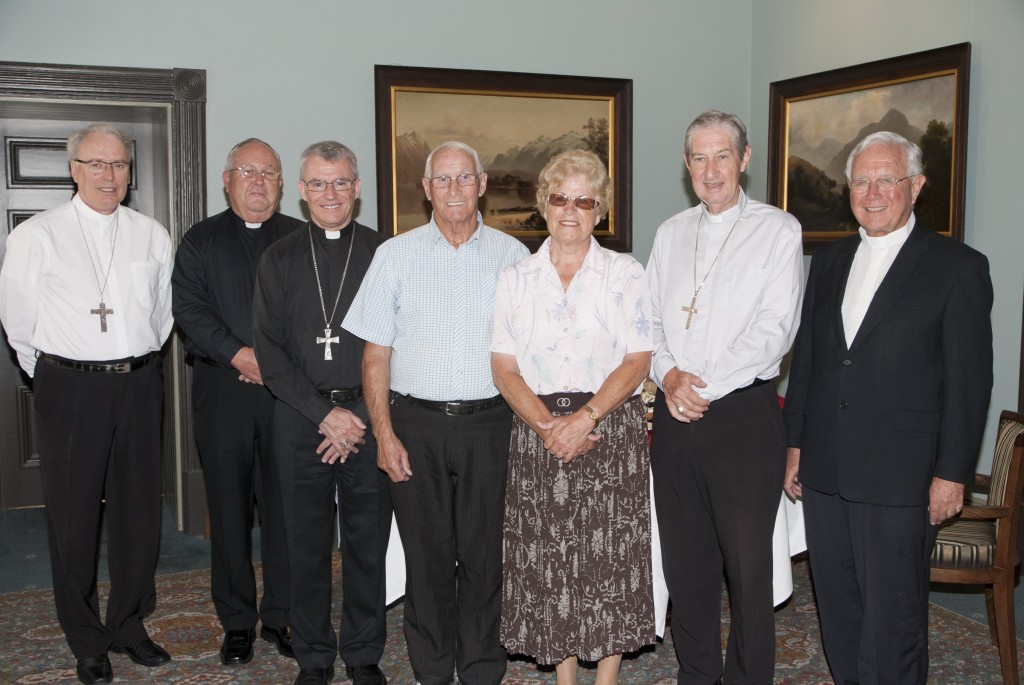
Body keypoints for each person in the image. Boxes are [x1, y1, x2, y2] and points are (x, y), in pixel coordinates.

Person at [783, 131, 993, 685]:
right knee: (840, 608)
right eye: (860, 180)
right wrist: (795, 444)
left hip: (903, 476)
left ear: (916, 186)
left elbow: (970, 385)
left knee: (894, 622)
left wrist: (951, 475)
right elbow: (808, 360)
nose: (872, 192)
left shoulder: (957, 267)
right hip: (826, 469)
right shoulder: (828, 262)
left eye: (886, 179)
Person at [343, 141, 529, 685]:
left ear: (482, 183)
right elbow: (375, 353)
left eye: (463, 178)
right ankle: (430, 671)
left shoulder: (514, 258)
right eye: (441, 180)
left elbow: (530, 352)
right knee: (425, 559)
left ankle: (480, 670)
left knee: (484, 556)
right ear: (425, 189)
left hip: (492, 425)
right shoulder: (394, 255)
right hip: (414, 426)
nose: (452, 190)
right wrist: (383, 434)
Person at [0, 123, 173, 684]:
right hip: (69, 387)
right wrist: (54, 376)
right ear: (74, 169)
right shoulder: (39, 234)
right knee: (73, 518)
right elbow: (17, 319)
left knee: (139, 512)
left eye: (120, 165)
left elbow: (163, 315)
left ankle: (128, 623)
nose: (110, 175)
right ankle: (85, 638)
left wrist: (132, 360)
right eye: (97, 164)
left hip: (141, 385)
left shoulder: (151, 233)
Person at [646, 109, 803, 685]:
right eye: (698, 158)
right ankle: (697, 673)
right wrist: (669, 378)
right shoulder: (670, 232)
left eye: (721, 156)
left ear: (744, 159)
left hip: (741, 417)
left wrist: (698, 385)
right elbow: (651, 325)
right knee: (686, 563)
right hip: (673, 411)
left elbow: (775, 330)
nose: (710, 170)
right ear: (686, 165)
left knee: (747, 569)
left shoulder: (778, 230)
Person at [492, 149, 655, 685]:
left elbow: (637, 359)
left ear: (599, 211)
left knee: (607, 558)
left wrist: (586, 418)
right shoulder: (516, 277)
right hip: (538, 428)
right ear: (544, 204)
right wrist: (548, 426)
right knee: (551, 559)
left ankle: (605, 679)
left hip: (609, 427)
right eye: (560, 198)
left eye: (583, 201)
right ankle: (564, 678)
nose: (570, 210)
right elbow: (503, 368)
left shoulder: (625, 272)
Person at [252, 141, 392, 685]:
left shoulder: (384, 253)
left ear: (356, 189)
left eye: (339, 183)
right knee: (304, 545)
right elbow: (270, 353)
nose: (329, 195)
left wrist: (354, 414)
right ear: (301, 189)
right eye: (317, 184)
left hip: (369, 418)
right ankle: (313, 655)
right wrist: (323, 415)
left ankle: (362, 652)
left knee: (366, 542)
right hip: (299, 419)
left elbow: (396, 342)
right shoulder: (280, 259)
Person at [171, 138, 300, 666]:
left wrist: (273, 361)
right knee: (227, 510)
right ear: (226, 179)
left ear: (280, 183)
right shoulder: (199, 240)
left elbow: (318, 316)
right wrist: (241, 356)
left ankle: (283, 614)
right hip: (222, 391)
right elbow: (190, 311)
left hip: (286, 396)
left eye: (268, 172)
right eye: (247, 170)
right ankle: (237, 621)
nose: (257, 181)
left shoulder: (300, 238)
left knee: (286, 510)